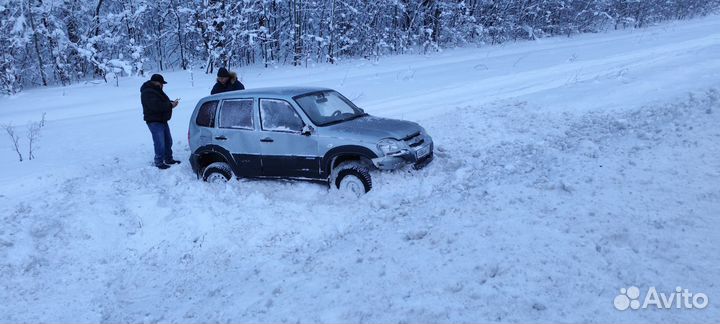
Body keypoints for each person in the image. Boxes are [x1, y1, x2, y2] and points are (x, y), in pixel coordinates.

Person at [141, 74, 180, 169]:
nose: (162, 85)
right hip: (154, 121)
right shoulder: (147, 92)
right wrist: (170, 105)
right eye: (161, 83)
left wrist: (171, 103)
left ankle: (168, 158)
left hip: (162, 119)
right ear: (155, 82)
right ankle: (158, 162)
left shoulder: (157, 90)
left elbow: (162, 102)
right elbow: (156, 106)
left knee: (168, 141)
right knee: (160, 142)